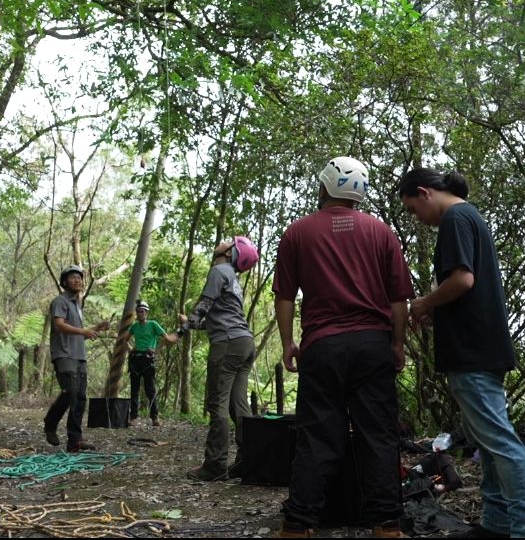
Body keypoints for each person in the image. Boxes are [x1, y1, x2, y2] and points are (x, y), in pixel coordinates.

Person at [398, 167, 525, 538]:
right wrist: (437, 310)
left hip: (473, 351)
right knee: (489, 441)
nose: (418, 219)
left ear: (424, 192)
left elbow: (463, 280)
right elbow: (467, 290)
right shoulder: (470, 215)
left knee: (500, 442)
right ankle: (497, 524)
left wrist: (424, 303)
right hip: (481, 345)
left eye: (413, 209)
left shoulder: (455, 218)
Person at [273, 156, 414, 539]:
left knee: (316, 437)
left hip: (323, 346)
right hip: (372, 345)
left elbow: (285, 296)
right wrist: (397, 344)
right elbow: (399, 299)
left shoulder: (297, 233)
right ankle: (386, 525)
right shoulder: (381, 232)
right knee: (379, 435)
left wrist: (289, 343)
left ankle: (298, 525)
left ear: (323, 187)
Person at [180, 236, 260, 482]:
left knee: (218, 404)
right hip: (244, 343)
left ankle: (215, 465)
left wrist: (180, 331)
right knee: (239, 406)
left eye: (228, 242)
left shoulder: (219, 270)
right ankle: (249, 461)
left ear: (231, 252)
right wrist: (193, 325)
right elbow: (219, 317)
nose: (222, 242)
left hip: (227, 345)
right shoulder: (233, 279)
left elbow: (205, 303)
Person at [43, 264, 110, 453]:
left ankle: (75, 440)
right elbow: (59, 325)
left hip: (79, 355)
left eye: (79, 278)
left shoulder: (76, 304)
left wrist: (95, 328)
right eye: (73, 278)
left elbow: (78, 331)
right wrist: (84, 331)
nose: (77, 280)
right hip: (64, 354)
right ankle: (50, 423)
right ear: (64, 282)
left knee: (80, 397)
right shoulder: (60, 301)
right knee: (69, 392)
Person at [127, 301, 179, 426]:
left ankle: (154, 417)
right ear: (136, 313)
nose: (141, 314)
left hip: (147, 358)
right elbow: (125, 339)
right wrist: (130, 349)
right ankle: (133, 417)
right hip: (135, 359)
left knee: (150, 388)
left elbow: (165, 337)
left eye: (143, 311)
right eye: (139, 311)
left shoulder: (153, 324)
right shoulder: (134, 326)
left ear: (147, 313)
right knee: (134, 389)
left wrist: (156, 351)